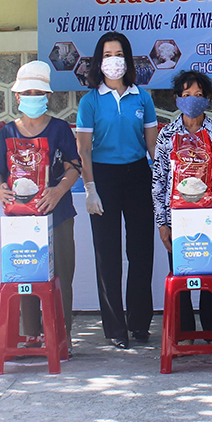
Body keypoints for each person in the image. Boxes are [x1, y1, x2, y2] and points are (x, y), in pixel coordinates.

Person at [0, 60, 81, 346]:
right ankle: (31, 332)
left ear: (48, 97)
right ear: (17, 97)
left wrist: (58, 191)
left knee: (61, 276)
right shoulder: (8, 132)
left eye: (37, 93)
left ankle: (60, 335)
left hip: (59, 213)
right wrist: (0, 190)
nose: (32, 98)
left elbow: (74, 166)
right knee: (25, 272)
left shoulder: (60, 129)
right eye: (26, 93)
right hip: (22, 218)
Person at [76, 32, 158, 349]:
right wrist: (90, 188)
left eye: (119, 53)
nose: (114, 60)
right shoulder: (90, 101)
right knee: (107, 255)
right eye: (108, 54)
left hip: (138, 174)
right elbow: (83, 149)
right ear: (99, 61)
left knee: (140, 253)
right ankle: (115, 328)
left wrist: (165, 180)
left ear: (128, 58)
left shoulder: (143, 98)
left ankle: (139, 323)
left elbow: (152, 146)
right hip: (104, 177)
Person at [152, 70, 212, 336]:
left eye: (198, 96)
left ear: (208, 99)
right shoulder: (166, 136)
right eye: (186, 95)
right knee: (181, 278)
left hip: (210, 218)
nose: (192, 101)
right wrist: (162, 223)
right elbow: (159, 183)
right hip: (177, 220)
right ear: (176, 99)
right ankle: (184, 334)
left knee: (209, 277)